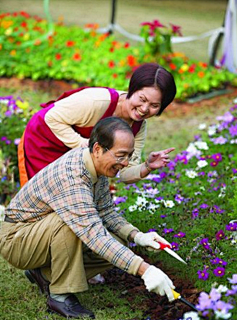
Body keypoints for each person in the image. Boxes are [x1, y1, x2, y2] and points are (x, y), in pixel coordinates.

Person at [1, 117, 176, 319]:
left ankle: (44, 274)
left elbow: (107, 211)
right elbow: (92, 233)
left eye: (129, 156)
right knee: (70, 224)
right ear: (98, 149)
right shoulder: (72, 176)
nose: (126, 163)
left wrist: (137, 236)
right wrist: (144, 270)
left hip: (39, 233)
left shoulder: (95, 166)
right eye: (121, 156)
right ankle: (59, 295)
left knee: (118, 241)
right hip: (17, 240)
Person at [18, 63, 176, 187]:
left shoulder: (138, 128)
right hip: (45, 139)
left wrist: (147, 166)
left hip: (75, 154)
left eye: (154, 105)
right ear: (132, 89)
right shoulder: (97, 101)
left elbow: (125, 172)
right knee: (40, 198)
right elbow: (51, 117)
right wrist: (85, 147)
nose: (144, 109)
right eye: (142, 99)